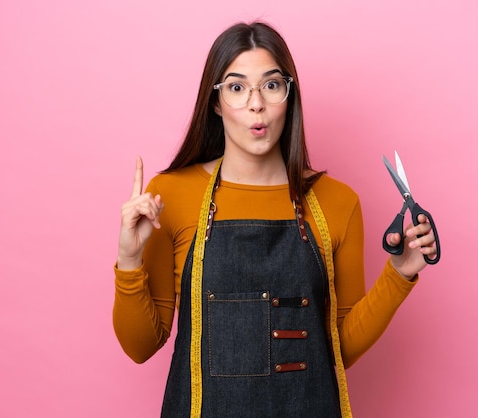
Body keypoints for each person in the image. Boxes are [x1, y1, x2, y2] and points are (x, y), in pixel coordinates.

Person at [113, 21, 438, 417]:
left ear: (289, 94)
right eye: (236, 88)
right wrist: (129, 261)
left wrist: (399, 274)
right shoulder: (172, 197)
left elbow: (336, 349)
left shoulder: (338, 203)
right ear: (215, 103)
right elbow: (140, 347)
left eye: (270, 85)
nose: (256, 104)